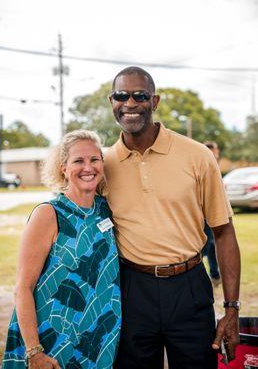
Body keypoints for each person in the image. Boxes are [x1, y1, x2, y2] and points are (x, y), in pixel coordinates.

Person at [103, 67, 240, 369]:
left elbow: (224, 232)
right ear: (111, 100)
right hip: (131, 290)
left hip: (189, 287)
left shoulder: (196, 155)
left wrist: (231, 308)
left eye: (140, 95)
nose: (130, 103)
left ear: (155, 101)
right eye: (121, 95)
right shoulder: (103, 164)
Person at [2, 130, 121, 369]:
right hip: (52, 343)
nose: (88, 167)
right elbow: (23, 288)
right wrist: (35, 352)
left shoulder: (106, 209)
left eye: (94, 160)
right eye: (78, 161)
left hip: (99, 339)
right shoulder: (49, 213)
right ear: (63, 168)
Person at [202, 141, 221, 287]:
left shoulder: (214, 164)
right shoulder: (205, 162)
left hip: (212, 213)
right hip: (202, 215)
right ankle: (205, 274)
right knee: (206, 245)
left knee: (212, 245)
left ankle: (215, 275)